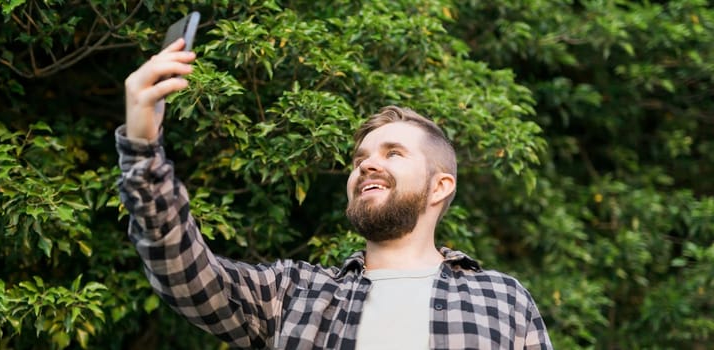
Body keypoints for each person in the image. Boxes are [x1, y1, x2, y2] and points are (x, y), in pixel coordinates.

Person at [117, 38, 553, 350]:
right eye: (360, 157)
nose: (367, 164)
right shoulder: (294, 294)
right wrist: (142, 147)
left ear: (440, 186)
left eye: (394, 153)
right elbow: (185, 275)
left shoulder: (502, 298)